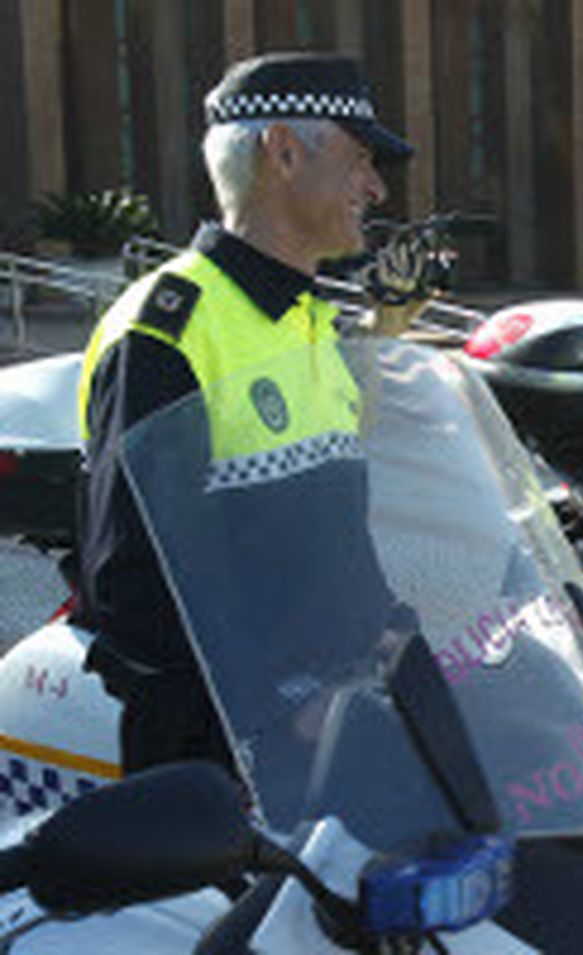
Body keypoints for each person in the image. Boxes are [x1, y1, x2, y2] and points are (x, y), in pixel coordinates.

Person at [74, 52, 427, 774]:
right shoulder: (167, 328)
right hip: (234, 763)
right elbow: (132, 586)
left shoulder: (308, 320)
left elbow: (327, 534)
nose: (376, 187)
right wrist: (280, 708)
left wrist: (394, 632)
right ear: (284, 151)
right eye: (360, 160)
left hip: (346, 728)